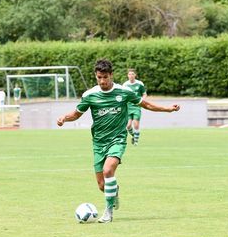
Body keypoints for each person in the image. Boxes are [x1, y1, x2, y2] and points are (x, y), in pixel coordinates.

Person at [57, 58, 180, 223]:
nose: (102, 81)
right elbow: (76, 114)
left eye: (105, 77)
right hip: (99, 143)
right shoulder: (90, 95)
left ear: (111, 75)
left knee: (109, 171)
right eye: (99, 77)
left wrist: (167, 109)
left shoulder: (123, 92)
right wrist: (64, 118)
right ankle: (114, 192)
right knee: (102, 185)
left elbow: (146, 105)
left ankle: (108, 213)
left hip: (117, 139)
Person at [122, 68, 147, 146]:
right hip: (128, 107)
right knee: (128, 125)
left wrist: (142, 101)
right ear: (127, 75)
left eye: (132, 74)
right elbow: (123, 95)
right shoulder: (125, 85)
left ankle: (136, 142)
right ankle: (133, 136)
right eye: (129, 74)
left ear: (135, 75)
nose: (131, 76)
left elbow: (144, 94)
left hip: (136, 107)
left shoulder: (139, 84)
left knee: (136, 125)